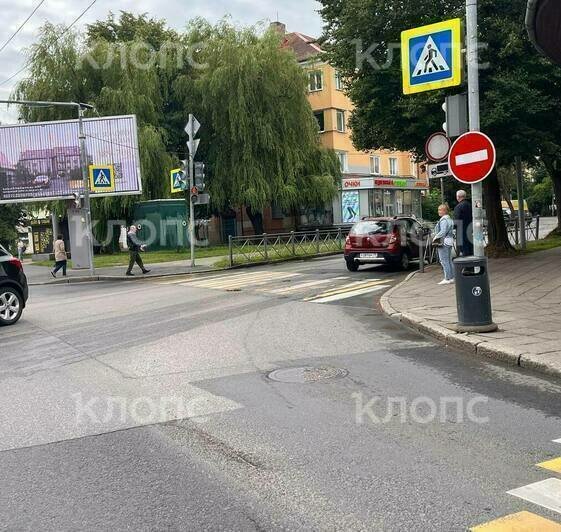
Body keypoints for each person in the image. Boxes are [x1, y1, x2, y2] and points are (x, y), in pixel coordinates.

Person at [433, 204, 455, 285]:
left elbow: (443, 231)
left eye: (440, 210)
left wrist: (435, 237)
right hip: (449, 240)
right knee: (449, 260)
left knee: (444, 261)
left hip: (443, 241)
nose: (439, 212)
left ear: (445, 211)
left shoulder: (443, 220)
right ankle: (452, 277)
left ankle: (447, 278)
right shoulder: (449, 219)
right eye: (438, 210)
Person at [453, 190, 474, 257]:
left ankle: (466, 266)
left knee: (463, 250)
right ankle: (472, 265)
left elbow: (457, 220)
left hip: (461, 231)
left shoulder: (458, 207)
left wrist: (453, 227)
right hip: (470, 229)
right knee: (470, 249)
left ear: (458, 197)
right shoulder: (470, 205)